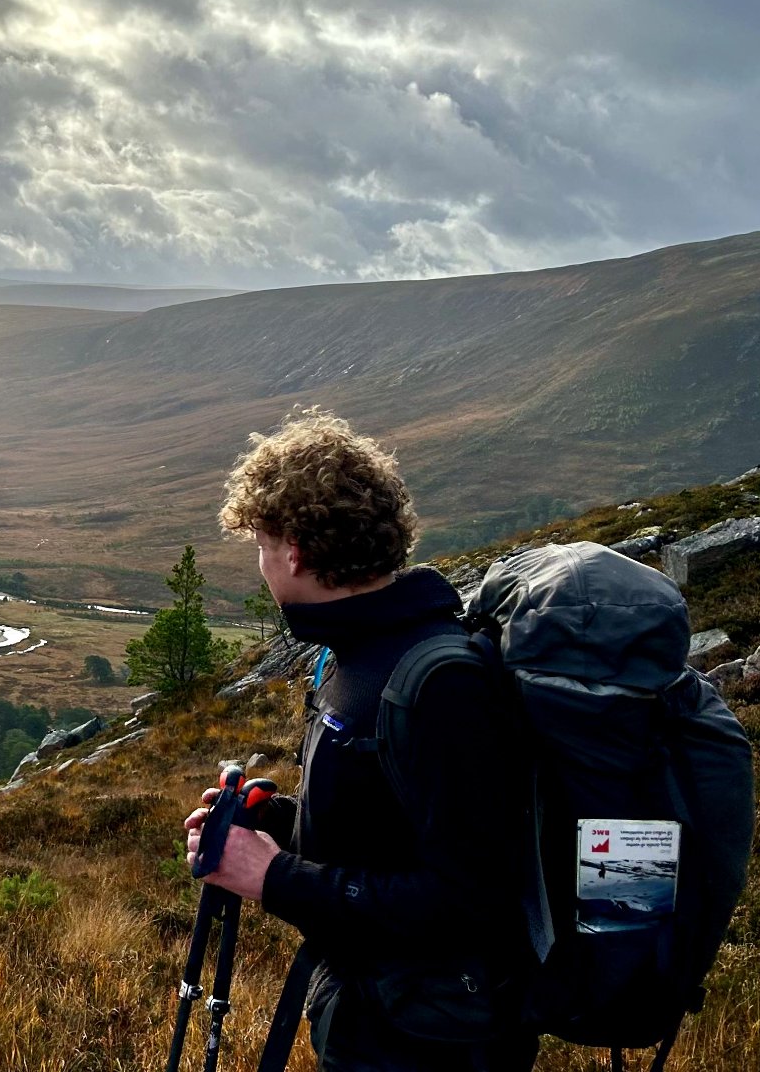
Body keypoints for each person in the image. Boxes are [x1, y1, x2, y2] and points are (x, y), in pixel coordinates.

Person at [183, 409, 538, 1072]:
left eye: (262, 547)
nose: (263, 569)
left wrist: (273, 877)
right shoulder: (358, 655)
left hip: (437, 1041)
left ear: (295, 549)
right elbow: (389, 838)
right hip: (382, 1017)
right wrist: (279, 823)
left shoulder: (438, 683)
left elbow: (470, 900)